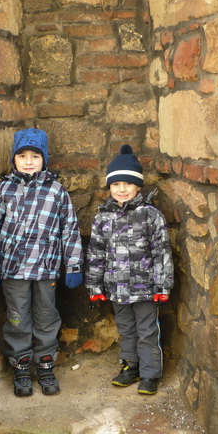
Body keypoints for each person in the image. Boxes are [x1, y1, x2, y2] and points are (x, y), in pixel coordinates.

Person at [0, 127, 83, 397]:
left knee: (46, 317)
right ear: (13, 159)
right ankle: (21, 367)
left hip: (46, 269)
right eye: (22, 156)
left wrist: (73, 266)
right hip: (13, 270)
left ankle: (45, 365)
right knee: (17, 318)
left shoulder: (57, 191)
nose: (28, 161)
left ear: (44, 159)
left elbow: (69, 229)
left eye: (35, 156)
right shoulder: (4, 191)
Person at [86, 145, 173, 395]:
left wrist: (163, 286)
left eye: (127, 184)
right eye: (116, 184)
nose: (121, 189)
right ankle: (130, 366)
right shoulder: (102, 218)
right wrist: (95, 286)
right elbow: (96, 254)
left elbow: (162, 252)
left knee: (147, 330)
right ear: (109, 187)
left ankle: (149, 374)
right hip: (117, 288)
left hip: (146, 289)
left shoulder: (150, 216)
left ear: (138, 186)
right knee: (126, 329)